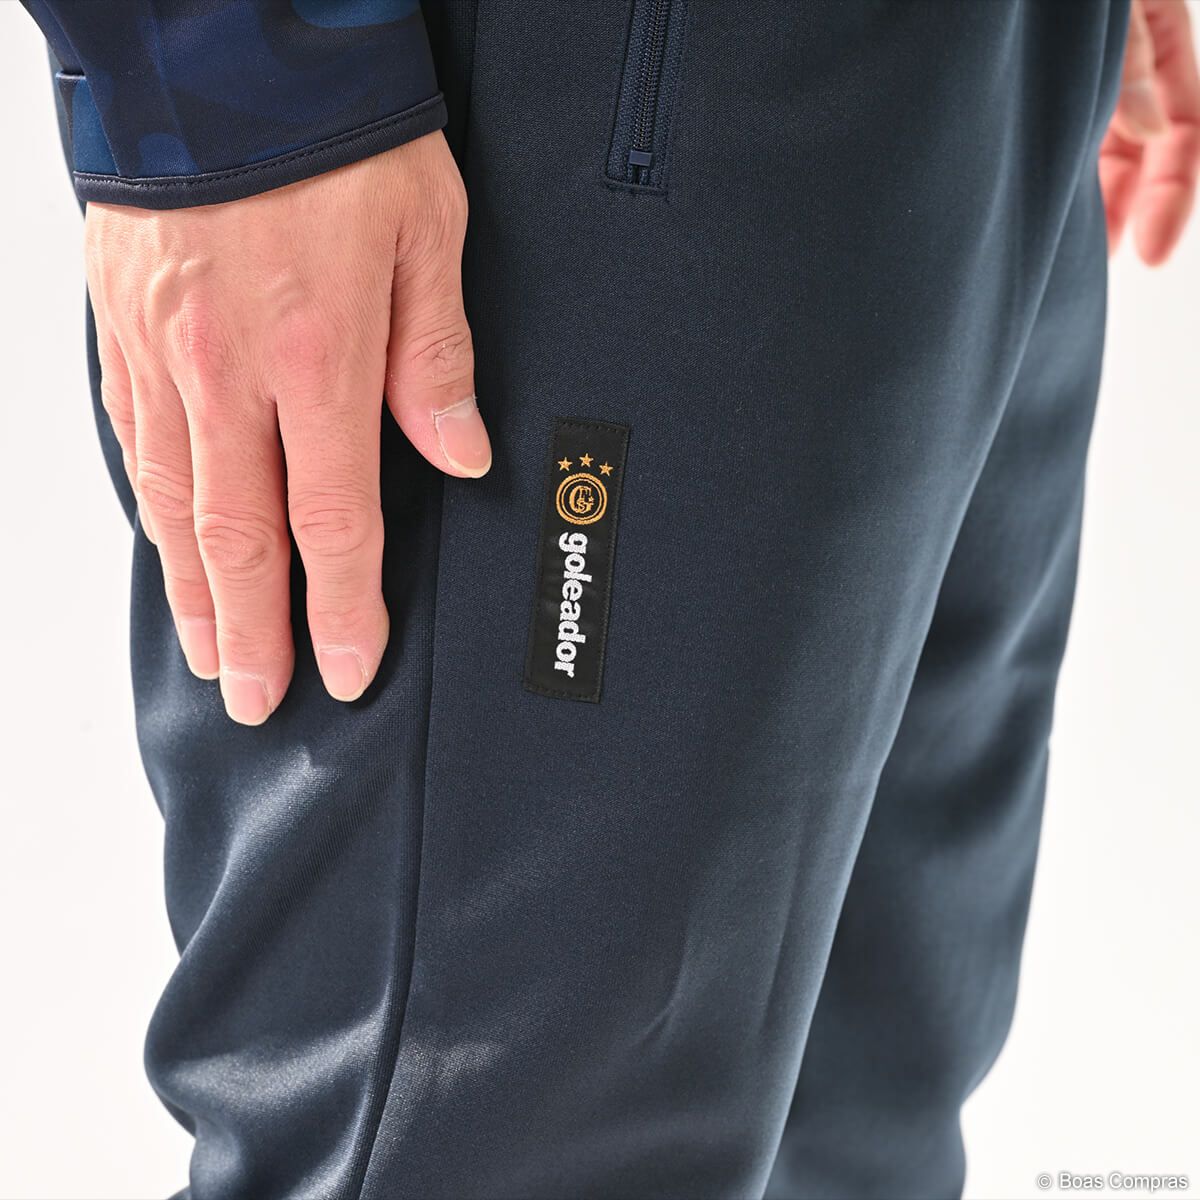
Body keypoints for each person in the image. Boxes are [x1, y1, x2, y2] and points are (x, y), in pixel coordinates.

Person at [18, 1, 1199, 1197]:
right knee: (487, 1136)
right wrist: (219, 72)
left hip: (970, 65)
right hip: (594, 83)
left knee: (860, 1113)